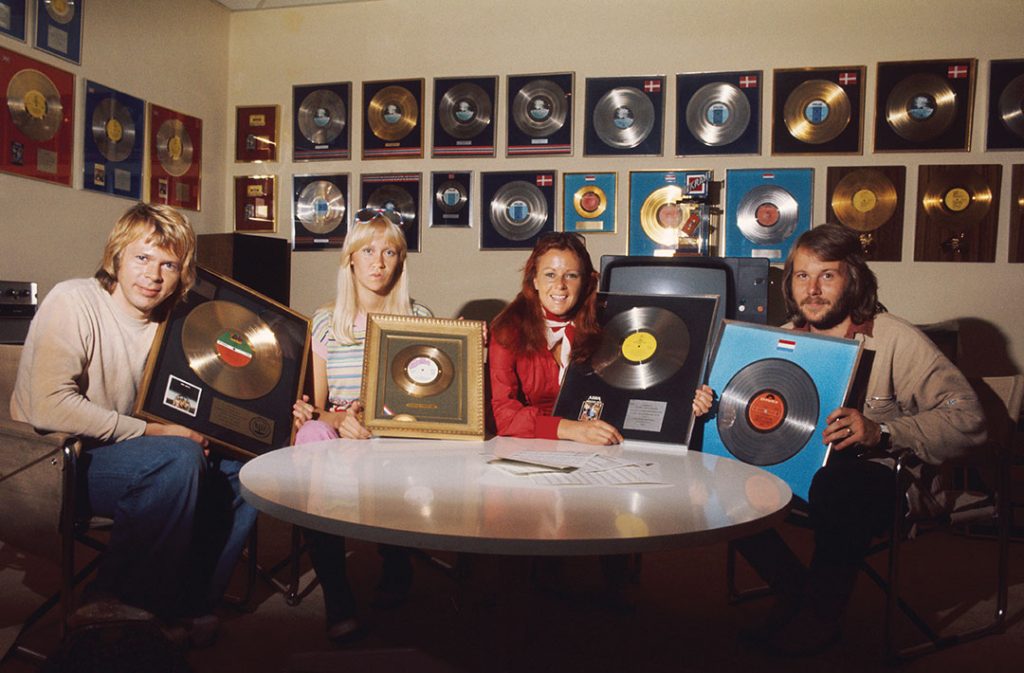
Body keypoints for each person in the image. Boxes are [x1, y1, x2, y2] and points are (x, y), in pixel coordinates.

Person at [730, 223, 987, 655]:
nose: (812, 289)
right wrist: (714, 403)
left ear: (853, 279)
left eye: (827, 275)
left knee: (839, 486)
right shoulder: (782, 336)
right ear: (789, 283)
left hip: (885, 479)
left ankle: (819, 619)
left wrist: (881, 430)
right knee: (715, 477)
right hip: (795, 475)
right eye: (801, 276)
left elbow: (969, 420)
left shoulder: (894, 336)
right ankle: (797, 591)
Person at [10, 203, 257, 642]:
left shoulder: (171, 324)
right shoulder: (74, 300)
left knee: (246, 472)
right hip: (51, 461)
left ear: (183, 274)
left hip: (120, 452)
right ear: (117, 255)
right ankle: (112, 602)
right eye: (143, 258)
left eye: (169, 264)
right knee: (176, 458)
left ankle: (186, 604)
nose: (154, 275)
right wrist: (157, 432)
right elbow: (49, 407)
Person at [488, 232, 713, 603]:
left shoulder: (607, 321)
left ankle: (614, 582)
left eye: (571, 276)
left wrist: (691, 397)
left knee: (628, 480)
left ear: (587, 280)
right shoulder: (506, 329)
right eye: (549, 274)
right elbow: (504, 413)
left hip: (595, 437)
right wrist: (569, 430)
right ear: (532, 278)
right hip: (528, 444)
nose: (559, 286)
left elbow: (644, 377)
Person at [290, 209, 430, 644]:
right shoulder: (325, 322)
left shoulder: (420, 316)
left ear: (400, 263)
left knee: (413, 451)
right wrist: (337, 420)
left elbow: (429, 402)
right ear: (350, 259)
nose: (378, 262)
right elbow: (319, 406)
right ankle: (338, 598)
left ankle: (395, 560)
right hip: (343, 435)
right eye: (367, 251)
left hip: (399, 437)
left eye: (389, 252)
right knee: (309, 436)